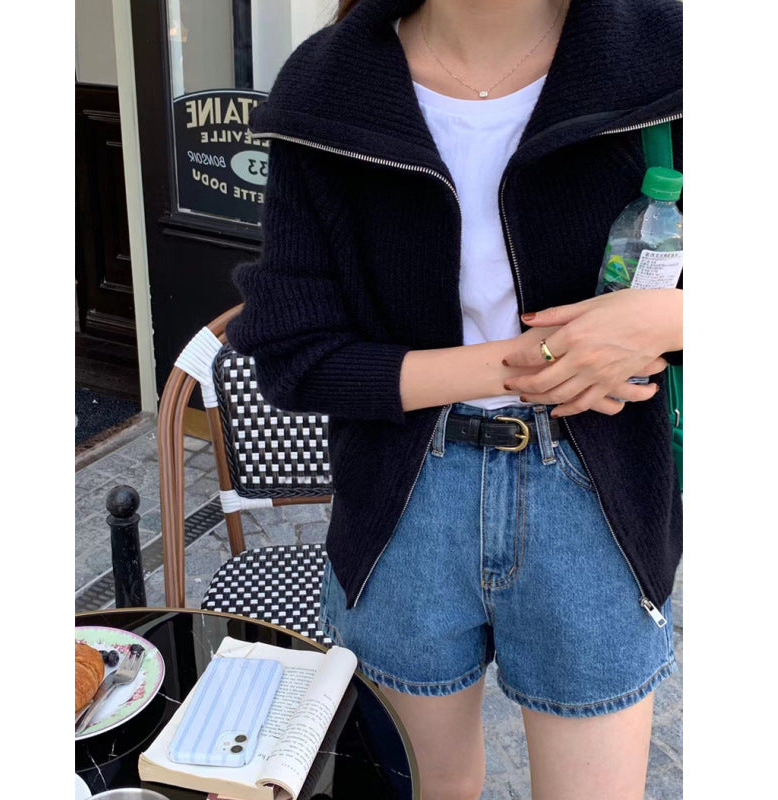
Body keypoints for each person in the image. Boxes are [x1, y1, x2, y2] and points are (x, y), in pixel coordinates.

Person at [227, 0, 683, 797]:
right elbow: (297, 353)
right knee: (422, 789)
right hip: (402, 502)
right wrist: (538, 360)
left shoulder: (670, 55)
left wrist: (669, 318)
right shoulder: (332, 84)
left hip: (598, 498)